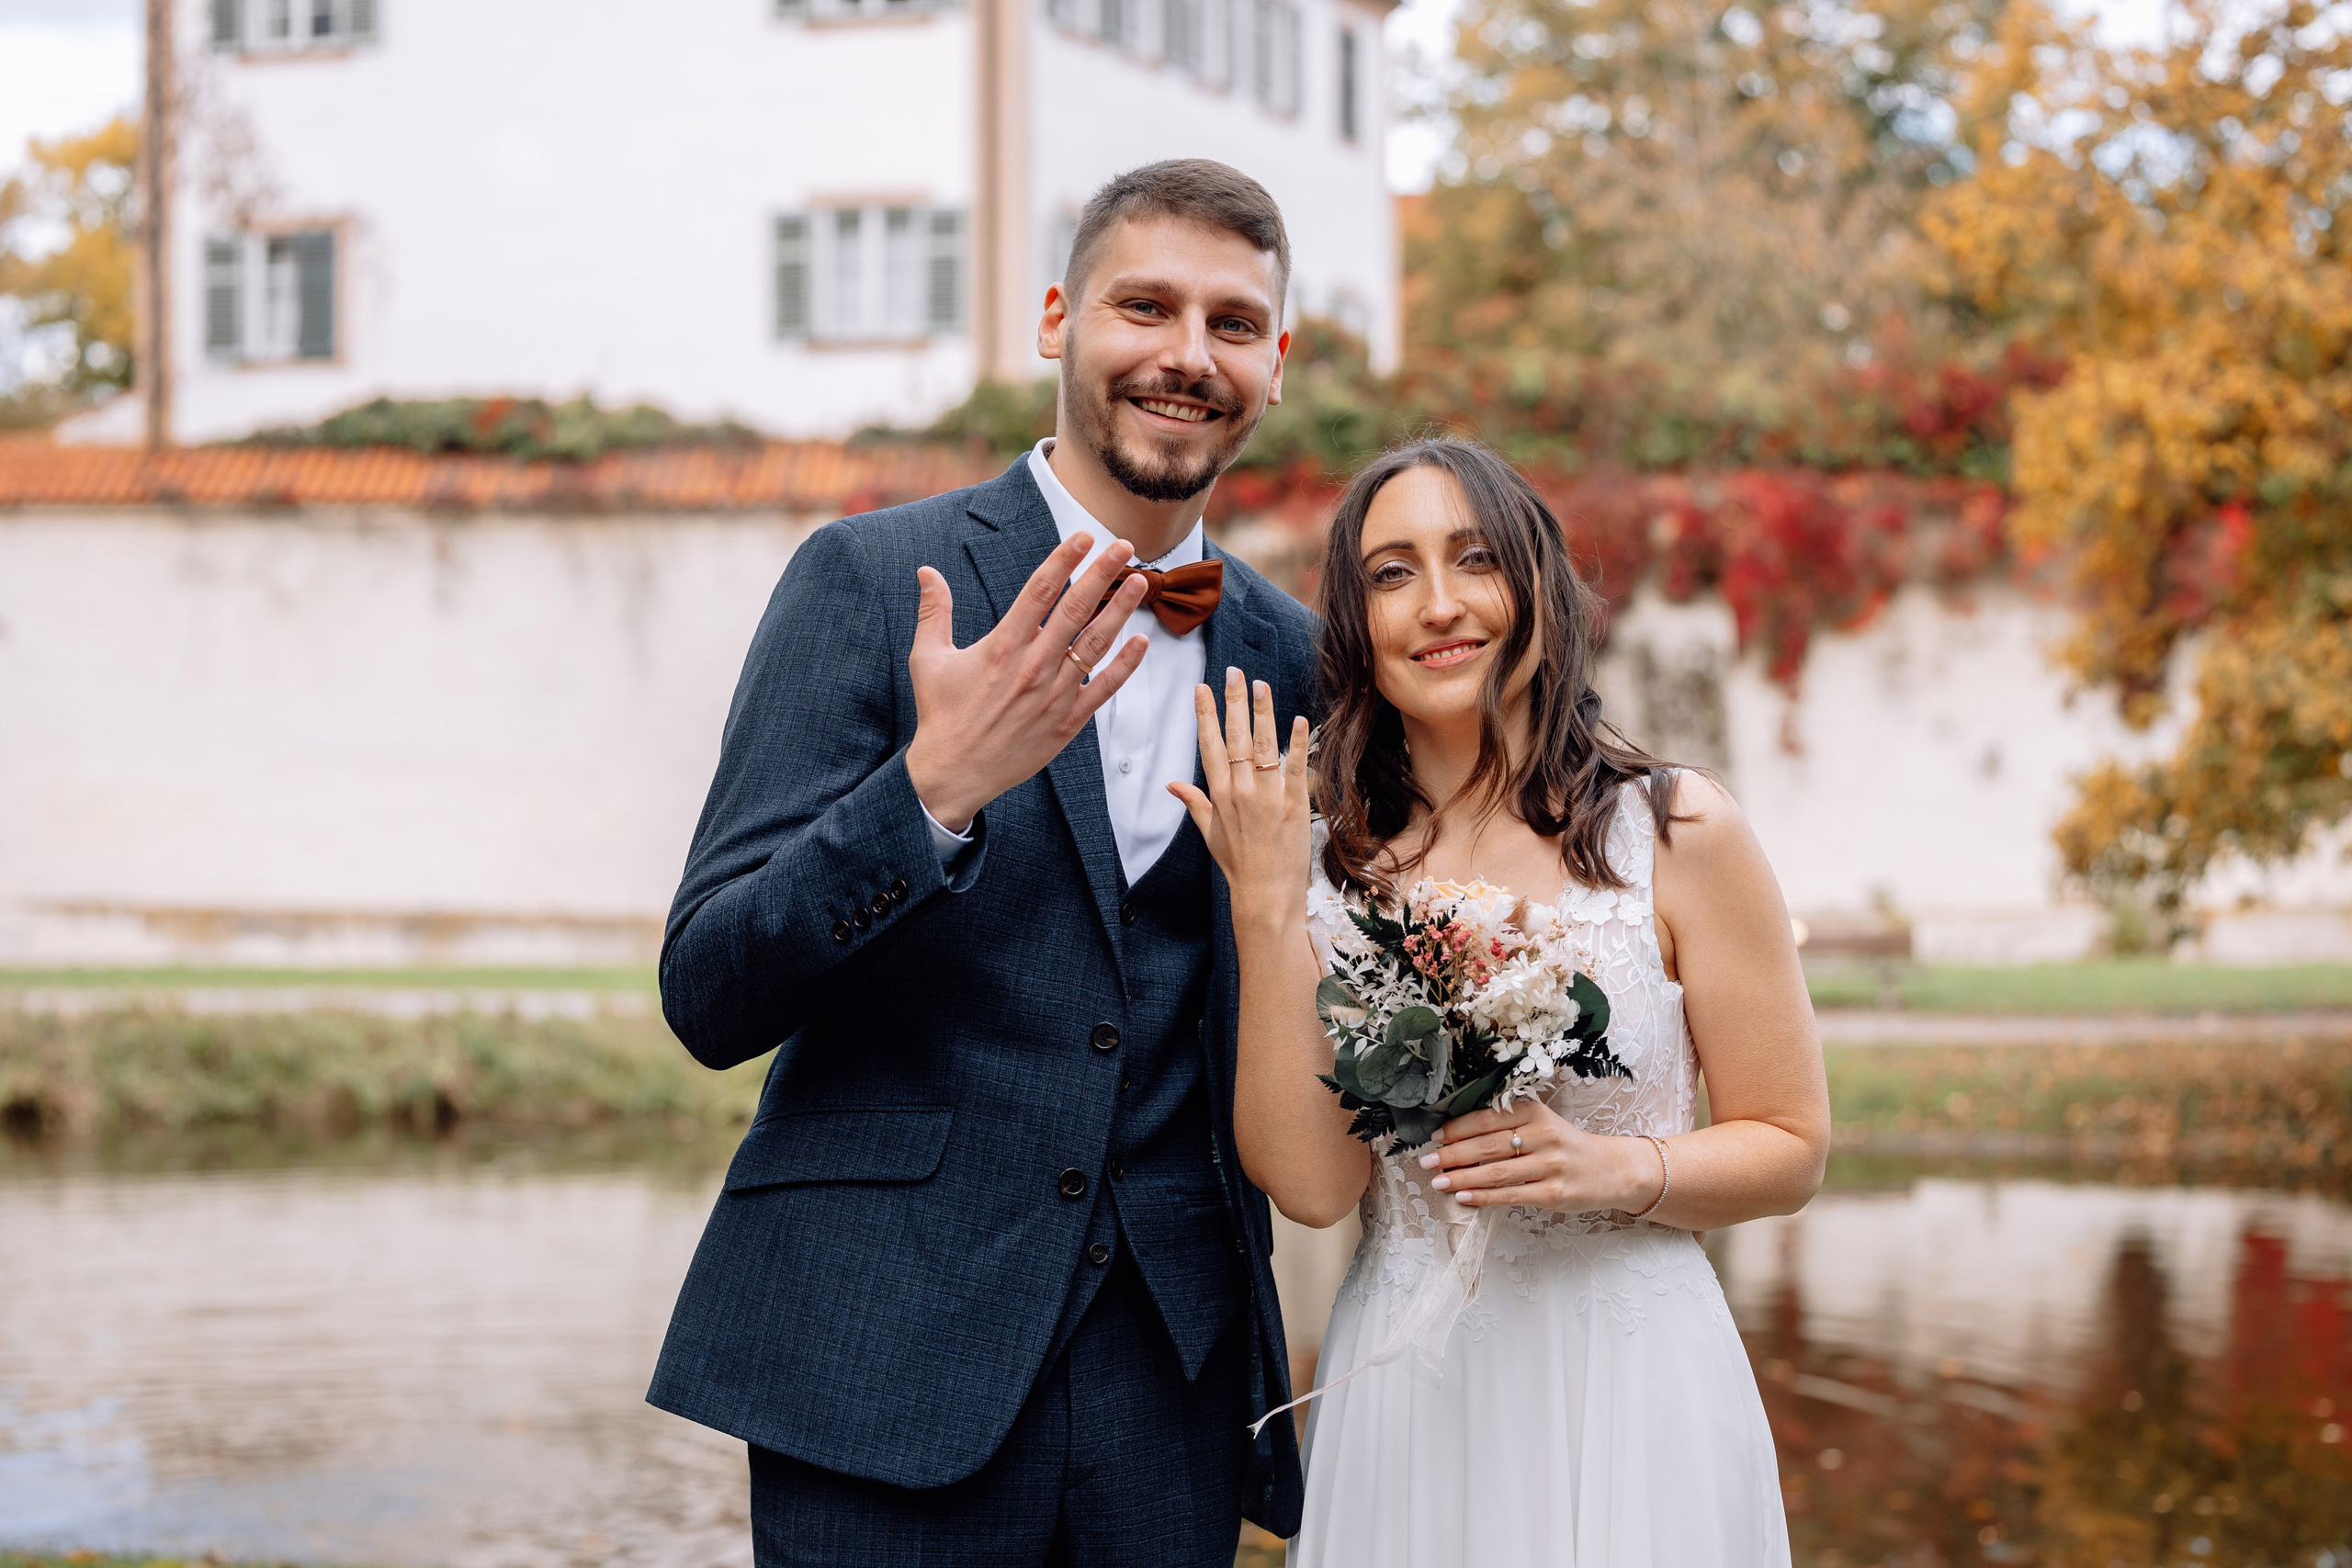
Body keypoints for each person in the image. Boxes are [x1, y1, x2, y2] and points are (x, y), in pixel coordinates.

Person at [645, 160, 1317, 1566]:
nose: (1188, 356)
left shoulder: (1296, 653)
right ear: (1060, 318)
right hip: (876, 1347)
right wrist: (931, 789)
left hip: (1174, 1374)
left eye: (1234, 322)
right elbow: (710, 989)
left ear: (1276, 362)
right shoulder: (872, 580)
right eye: (1147, 306)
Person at [1173, 438, 1830, 1565]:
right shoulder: (1323, 872)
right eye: (1390, 573)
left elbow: (1792, 1146)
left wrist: (1623, 1169)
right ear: (1354, 624)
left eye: (1473, 559)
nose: (1437, 606)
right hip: (1410, 1385)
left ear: (1535, 586)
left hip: (1630, 1378)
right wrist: (1268, 909)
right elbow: (1316, 1193)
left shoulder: (1676, 832)